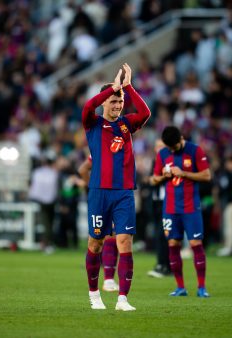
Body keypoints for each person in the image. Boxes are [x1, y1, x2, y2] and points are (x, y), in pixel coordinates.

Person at [81, 63, 151, 311]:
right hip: (99, 192)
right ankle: (94, 294)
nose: (118, 105)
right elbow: (88, 106)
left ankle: (123, 298)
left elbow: (145, 113)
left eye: (119, 101)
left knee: (125, 242)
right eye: (113, 101)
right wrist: (111, 87)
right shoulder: (93, 124)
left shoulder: (127, 124)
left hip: (124, 193)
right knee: (96, 244)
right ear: (104, 103)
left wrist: (128, 87)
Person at [152, 126, 211, 297]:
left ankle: (201, 287)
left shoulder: (195, 150)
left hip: (191, 207)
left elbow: (206, 175)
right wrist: (163, 175)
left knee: (195, 244)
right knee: (173, 244)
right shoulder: (162, 153)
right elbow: (155, 179)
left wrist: (184, 173)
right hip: (170, 208)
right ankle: (180, 287)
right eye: (169, 148)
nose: (171, 150)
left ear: (181, 139)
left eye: (174, 147)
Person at [78, 156, 119, 292]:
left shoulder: (106, 148)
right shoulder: (103, 150)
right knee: (109, 235)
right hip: (109, 195)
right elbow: (83, 169)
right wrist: (94, 189)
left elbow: (83, 170)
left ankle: (108, 278)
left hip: (107, 195)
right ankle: (108, 279)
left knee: (105, 236)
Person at [147, 139, 171, 278]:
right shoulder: (155, 162)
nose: (158, 149)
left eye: (161, 146)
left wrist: (156, 179)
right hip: (156, 202)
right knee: (159, 234)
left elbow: (156, 179)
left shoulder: (170, 162)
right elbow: (152, 180)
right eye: (157, 147)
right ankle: (160, 263)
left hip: (166, 201)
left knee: (164, 234)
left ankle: (165, 265)